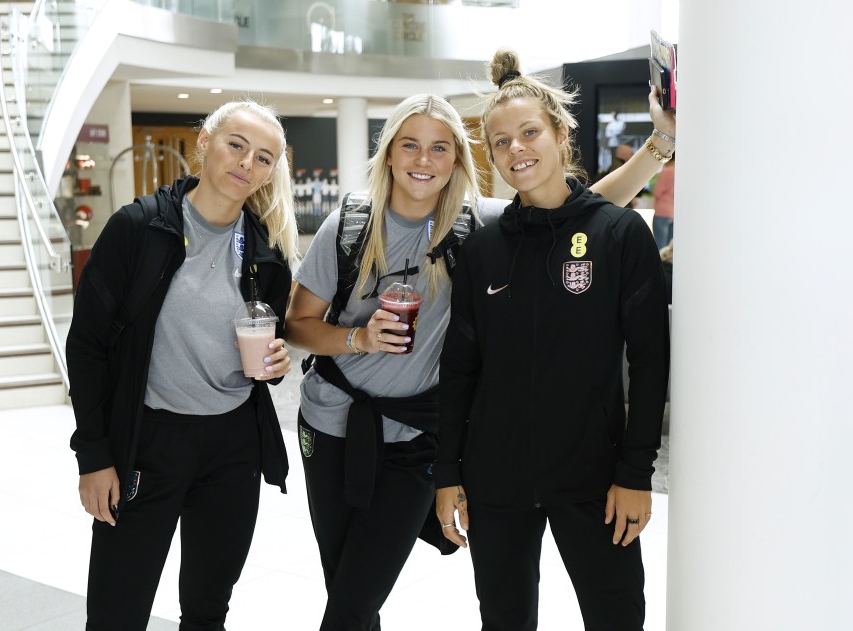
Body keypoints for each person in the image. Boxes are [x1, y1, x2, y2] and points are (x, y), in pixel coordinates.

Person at [285, 87, 673, 630]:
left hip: (465, 445)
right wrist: (360, 340)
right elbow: (300, 325)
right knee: (349, 590)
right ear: (390, 151)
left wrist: (661, 144)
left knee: (355, 596)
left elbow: (574, 214)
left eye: (441, 147)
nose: (424, 160)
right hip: (359, 433)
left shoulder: (476, 225)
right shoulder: (381, 228)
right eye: (411, 145)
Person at [435, 48, 671, 631]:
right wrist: (447, 474)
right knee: (505, 620)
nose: (517, 149)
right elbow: (460, 369)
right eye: (500, 141)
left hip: (596, 478)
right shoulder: (483, 248)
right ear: (489, 153)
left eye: (530, 133)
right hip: (496, 482)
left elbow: (650, 361)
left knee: (616, 617)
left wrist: (636, 472)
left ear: (561, 134)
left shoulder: (618, 235)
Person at [66, 100, 299, 631]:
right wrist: (94, 456)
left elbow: (269, 347)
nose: (246, 164)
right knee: (116, 610)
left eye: (263, 158)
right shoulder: (138, 228)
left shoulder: (267, 249)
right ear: (205, 143)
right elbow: (86, 346)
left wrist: (276, 364)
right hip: (150, 439)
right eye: (236, 145)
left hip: (232, 447)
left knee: (207, 607)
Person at [653, 153, 676, 249]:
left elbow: (657, 192)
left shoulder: (667, 171)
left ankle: (659, 265)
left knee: (660, 246)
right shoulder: (679, 171)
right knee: (669, 248)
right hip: (673, 212)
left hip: (662, 212)